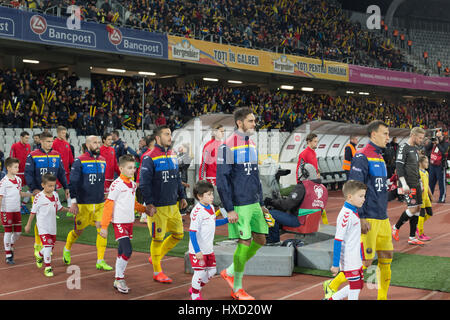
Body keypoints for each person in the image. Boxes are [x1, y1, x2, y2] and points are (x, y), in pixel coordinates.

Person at [323, 120, 392, 300]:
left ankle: (382, 297)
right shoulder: (362, 156)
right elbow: (354, 188)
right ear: (373, 134)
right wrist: (360, 217)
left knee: (386, 258)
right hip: (368, 217)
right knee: (365, 262)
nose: (388, 137)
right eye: (385, 133)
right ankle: (332, 284)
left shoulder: (380, 156)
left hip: (383, 217)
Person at [216, 107, 270, 300]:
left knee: (261, 239)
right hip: (239, 203)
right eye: (251, 121)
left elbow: (255, 176)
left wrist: (261, 202)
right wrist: (229, 208)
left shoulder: (252, 144)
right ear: (239, 122)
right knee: (244, 242)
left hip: (254, 201)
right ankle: (237, 288)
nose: (254, 124)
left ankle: (229, 271)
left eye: (254, 121)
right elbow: (222, 180)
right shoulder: (227, 145)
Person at [139, 125, 188, 283]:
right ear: (158, 138)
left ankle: (156, 256)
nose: (170, 137)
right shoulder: (149, 157)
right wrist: (149, 203)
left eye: (170, 134)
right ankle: (157, 271)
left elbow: (176, 178)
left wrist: (182, 196)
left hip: (172, 204)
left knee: (178, 234)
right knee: (158, 239)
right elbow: (144, 183)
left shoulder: (172, 154)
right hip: (158, 207)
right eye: (167, 134)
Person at [63, 135, 113, 271]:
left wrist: (105, 193)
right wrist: (73, 202)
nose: (98, 145)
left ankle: (100, 260)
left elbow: (102, 180)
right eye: (94, 142)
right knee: (78, 231)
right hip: (83, 204)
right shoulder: (79, 161)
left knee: (103, 230)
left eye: (98, 142)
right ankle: (67, 248)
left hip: (100, 203)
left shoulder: (103, 160)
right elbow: (72, 182)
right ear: (87, 144)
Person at [99, 154, 148, 294]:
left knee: (122, 251)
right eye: (129, 168)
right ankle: (119, 278)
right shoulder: (116, 185)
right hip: (119, 222)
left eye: (134, 168)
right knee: (127, 250)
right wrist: (104, 226)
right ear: (121, 168)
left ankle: (117, 278)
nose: (133, 170)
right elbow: (108, 205)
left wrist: (144, 209)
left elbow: (133, 202)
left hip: (129, 222)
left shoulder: (132, 184)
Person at [24, 131, 69, 258]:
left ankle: (46, 246)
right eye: (48, 141)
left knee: (49, 218)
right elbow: (28, 173)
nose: (50, 144)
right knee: (40, 219)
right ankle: (38, 245)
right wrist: (33, 189)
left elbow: (61, 172)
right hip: (39, 192)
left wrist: (66, 187)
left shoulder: (56, 155)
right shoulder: (32, 155)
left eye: (51, 142)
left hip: (52, 192)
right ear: (41, 141)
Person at [264, 163, 327, 244]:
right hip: (312, 222)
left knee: (270, 214)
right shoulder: (323, 188)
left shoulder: (303, 186)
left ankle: (273, 241)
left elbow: (286, 205)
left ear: (305, 173)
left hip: (299, 221)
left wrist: (271, 202)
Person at [188, 180, 228, 300]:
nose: (212, 197)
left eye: (212, 194)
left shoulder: (210, 207)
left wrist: (226, 220)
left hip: (208, 249)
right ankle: (195, 295)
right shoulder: (197, 211)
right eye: (209, 194)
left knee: (211, 271)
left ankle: (195, 288)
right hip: (198, 250)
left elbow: (213, 223)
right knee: (199, 272)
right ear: (200, 196)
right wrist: (197, 251)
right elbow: (192, 232)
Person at [327, 180, 367, 300]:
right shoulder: (346, 215)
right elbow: (338, 240)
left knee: (359, 285)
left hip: (356, 257)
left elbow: (357, 237)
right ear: (350, 197)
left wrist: (362, 256)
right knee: (355, 287)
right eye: (360, 196)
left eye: (364, 196)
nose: (363, 199)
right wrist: (335, 264)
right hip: (349, 259)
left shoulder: (354, 211)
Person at [24, 174, 69, 277]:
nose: (52, 188)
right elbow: (33, 212)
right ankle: (48, 267)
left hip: (52, 226)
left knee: (50, 246)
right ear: (43, 185)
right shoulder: (39, 197)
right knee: (48, 246)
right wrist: (28, 225)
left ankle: (40, 255)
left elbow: (59, 208)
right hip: (42, 226)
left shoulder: (55, 195)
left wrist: (69, 209)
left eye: (53, 186)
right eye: (49, 186)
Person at [392, 127, 426, 245]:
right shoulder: (403, 147)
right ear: (413, 136)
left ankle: (412, 237)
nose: (421, 140)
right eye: (420, 138)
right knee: (412, 209)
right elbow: (399, 166)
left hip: (416, 183)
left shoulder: (414, 149)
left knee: (418, 208)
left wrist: (420, 182)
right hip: (407, 184)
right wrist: (404, 183)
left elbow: (415, 168)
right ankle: (395, 228)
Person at [0, 157, 33, 264]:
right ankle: (8, 255)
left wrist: (31, 194)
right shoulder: (3, 182)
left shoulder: (18, 180)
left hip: (16, 210)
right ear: (8, 168)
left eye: (18, 167)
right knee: (8, 232)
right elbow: (0, 197)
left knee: (18, 232)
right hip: (6, 210)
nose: (17, 169)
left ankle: (10, 245)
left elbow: (19, 193)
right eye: (15, 167)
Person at [199, 124, 225, 207]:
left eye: (223, 131)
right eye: (221, 131)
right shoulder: (209, 145)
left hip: (223, 178)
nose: (223, 133)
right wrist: (201, 179)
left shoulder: (224, 145)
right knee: (215, 203)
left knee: (223, 203)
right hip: (212, 179)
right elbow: (204, 164)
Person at [9, 131, 32, 214]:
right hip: (17, 173)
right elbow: (11, 158)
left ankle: (23, 204)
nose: (27, 140)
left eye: (28, 138)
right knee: (17, 190)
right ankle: (17, 207)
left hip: (26, 172)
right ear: (21, 137)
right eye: (26, 138)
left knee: (31, 188)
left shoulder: (28, 146)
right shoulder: (14, 146)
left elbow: (29, 158)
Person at [52, 126, 74, 207]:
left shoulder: (67, 144)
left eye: (65, 133)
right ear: (58, 133)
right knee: (55, 190)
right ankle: (56, 206)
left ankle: (69, 205)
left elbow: (70, 157)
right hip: (56, 171)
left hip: (66, 171)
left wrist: (74, 166)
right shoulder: (54, 143)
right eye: (62, 133)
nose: (64, 135)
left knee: (67, 188)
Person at [424, 129, 449, 203]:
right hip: (432, 165)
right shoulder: (433, 143)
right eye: (437, 136)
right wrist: (432, 143)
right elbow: (427, 149)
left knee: (441, 183)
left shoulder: (446, 143)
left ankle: (442, 198)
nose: (438, 138)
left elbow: (444, 152)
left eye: (439, 136)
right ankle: (429, 197)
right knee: (431, 182)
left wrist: (438, 144)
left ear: (442, 136)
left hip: (440, 166)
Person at [417, 155, 433, 241]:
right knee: (422, 214)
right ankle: (420, 233)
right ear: (420, 163)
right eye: (426, 162)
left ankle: (418, 225)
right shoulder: (418, 173)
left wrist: (431, 195)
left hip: (426, 197)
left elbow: (427, 185)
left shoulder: (426, 173)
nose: (428, 164)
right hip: (421, 197)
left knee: (430, 213)